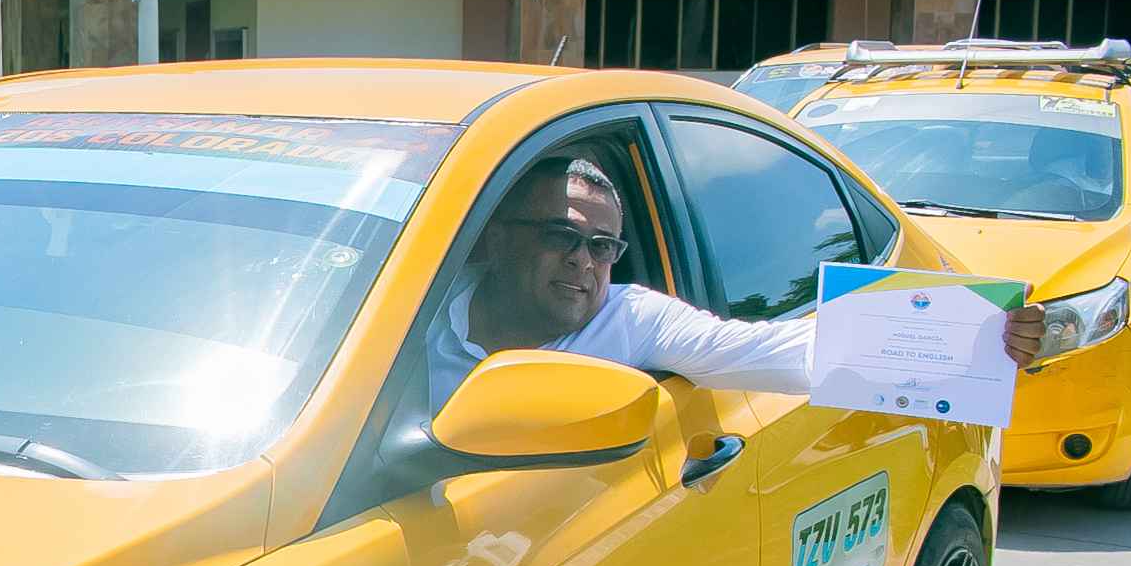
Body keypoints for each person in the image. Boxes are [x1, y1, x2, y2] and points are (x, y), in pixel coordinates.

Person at [425, 157, 1047, 408]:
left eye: (604, 246)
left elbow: (781, 352)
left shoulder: (633, 319)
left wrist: (983, 339)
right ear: (498, 238)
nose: (583, 262)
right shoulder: (414, 313)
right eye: (561, 237)